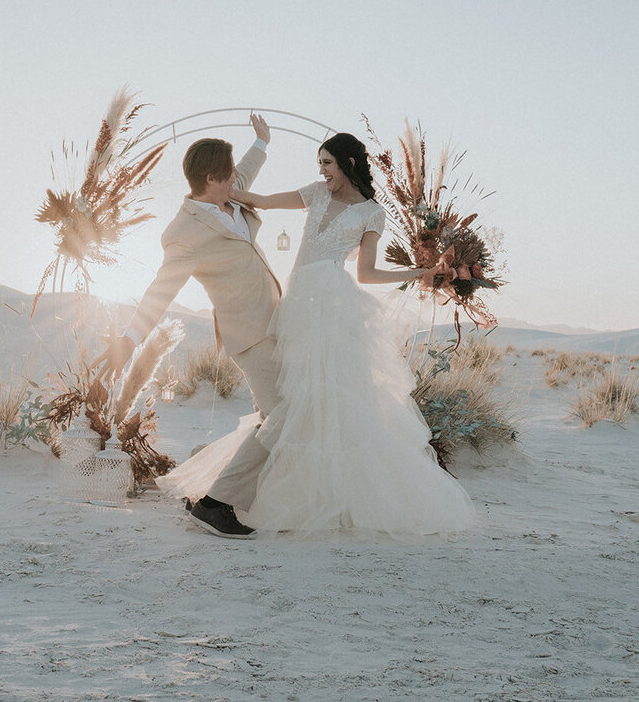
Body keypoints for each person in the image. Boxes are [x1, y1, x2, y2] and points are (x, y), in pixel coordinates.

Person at [155, 132, 479, 538]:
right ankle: (224, 496)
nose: (322, 171)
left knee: (314, 401)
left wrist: (420, 273)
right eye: (319, 164)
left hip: (331, 307)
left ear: (348, 164)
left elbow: (366, 273)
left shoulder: (370, 214)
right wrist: (216, 198)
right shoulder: (315, 194)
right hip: (293, 307)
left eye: (327, 163)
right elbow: (261, 200)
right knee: (288, 402)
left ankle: (252, 496)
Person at [94, 113, 284, 538]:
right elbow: (160, 292)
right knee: (282, 414)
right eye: (233, 173)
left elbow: (247, 170)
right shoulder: (184, 233)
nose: (240, 177)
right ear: (215, 178)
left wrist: (262, 143)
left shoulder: (229, 197)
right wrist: (130, 337)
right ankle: (215, 503)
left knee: (282, 411)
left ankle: (236, 491)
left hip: (280, 324)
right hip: (249, 336)